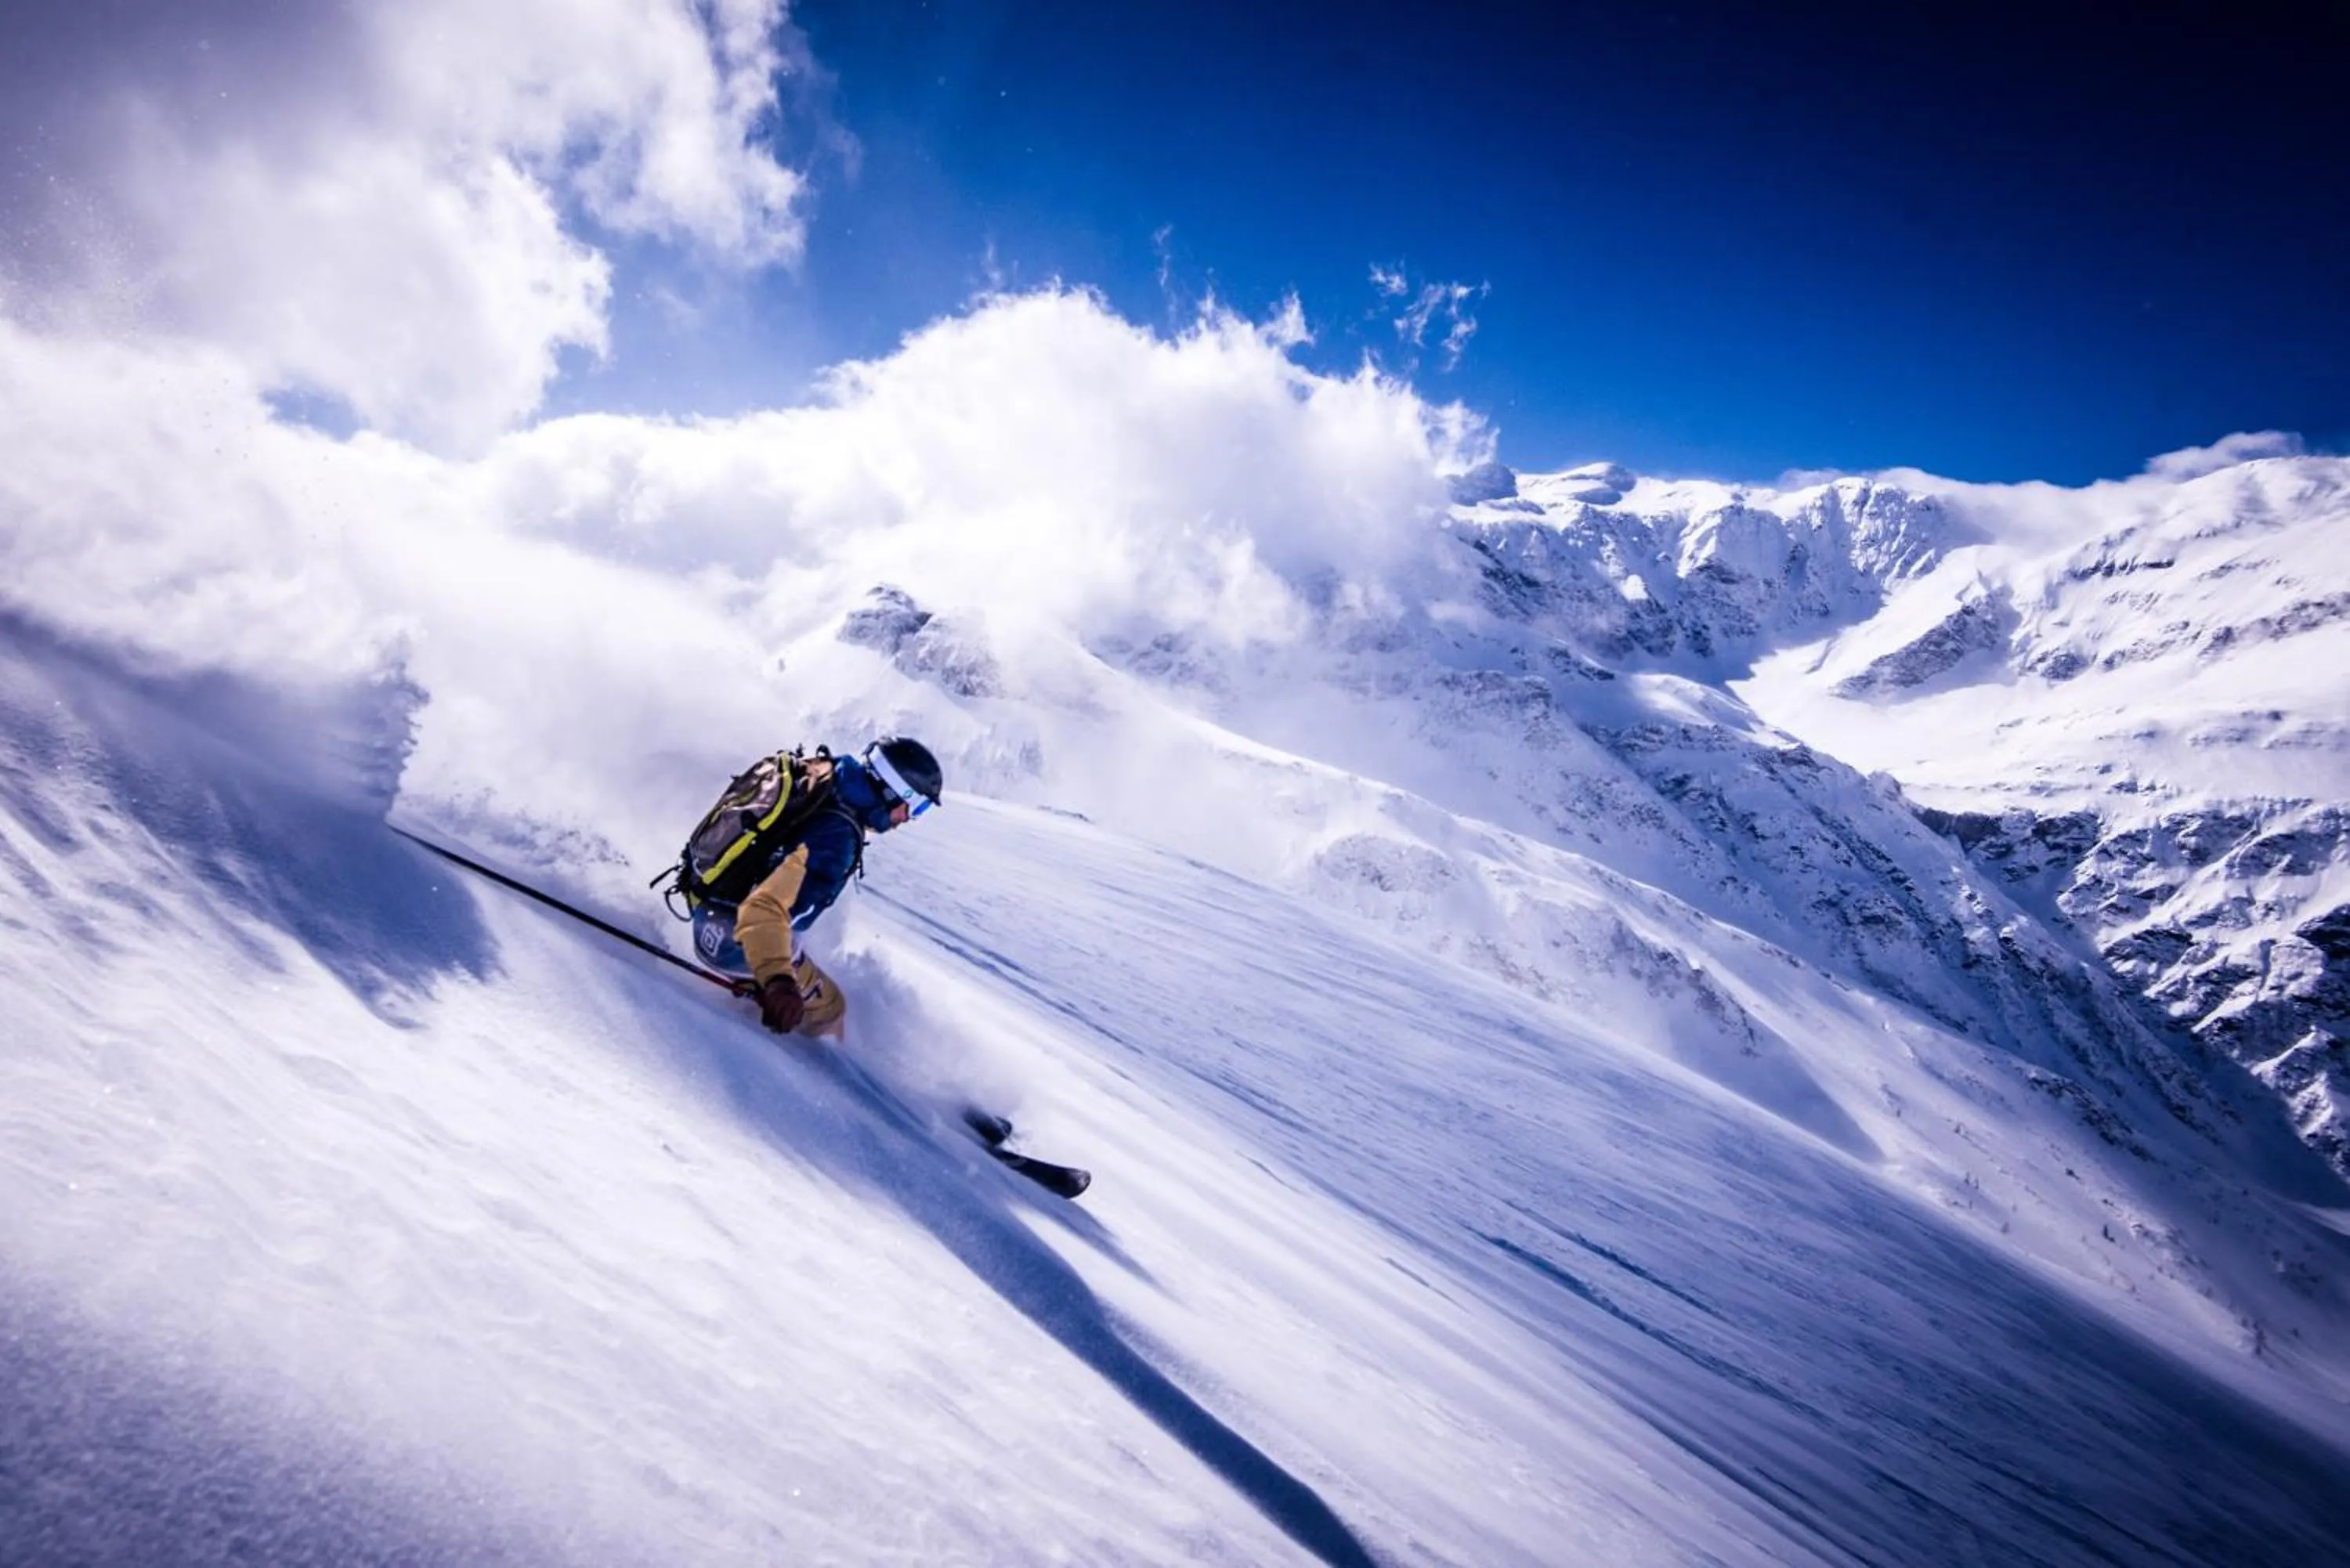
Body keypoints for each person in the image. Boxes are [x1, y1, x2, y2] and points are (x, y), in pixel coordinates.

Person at [682, 736, 942, 1039]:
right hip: (729, 938)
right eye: (917, 807)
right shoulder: (837, 837)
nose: (909, 819)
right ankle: (773, 1058)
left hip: (704, 893)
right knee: (831, 1008)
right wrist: (778, 980)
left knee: (802, 964)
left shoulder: (824, 776)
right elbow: (762, 909)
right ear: (893, 791)